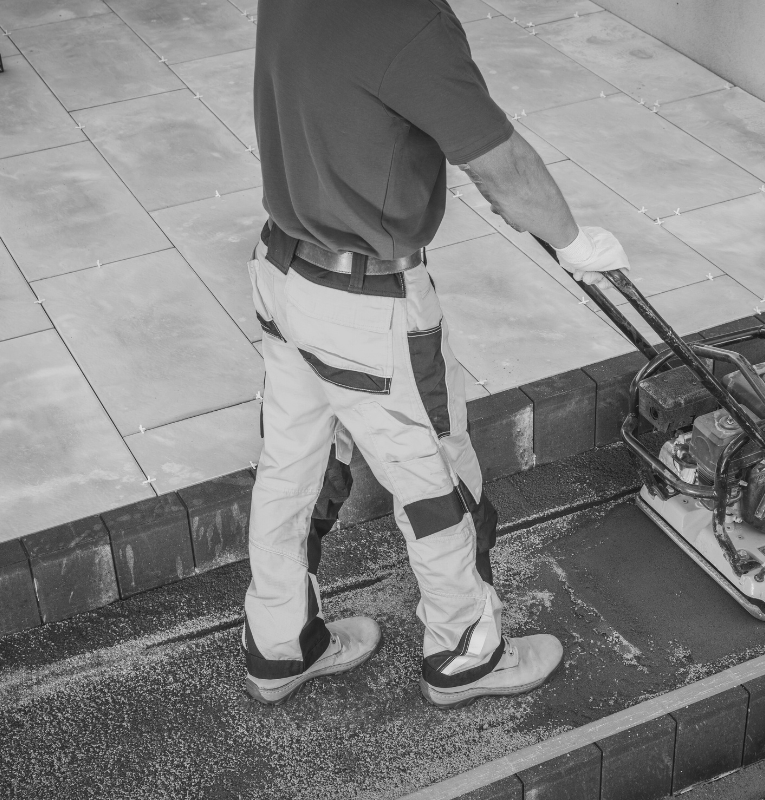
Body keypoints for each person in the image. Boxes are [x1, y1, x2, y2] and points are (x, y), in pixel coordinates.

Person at [243, 0, 632, 708]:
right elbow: (505, 167)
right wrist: (575, 242)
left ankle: (280, 646)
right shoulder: (408, 20)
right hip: (369, 307)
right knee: (437, 484)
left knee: (290, 469)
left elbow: (347, 103)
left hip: (282, 271)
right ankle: (465, 658)